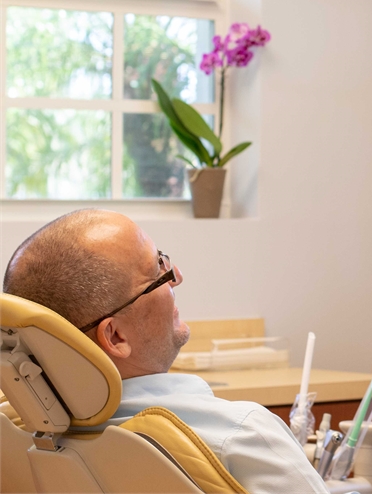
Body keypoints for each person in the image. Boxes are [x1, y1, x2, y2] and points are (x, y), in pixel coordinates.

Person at [3, 209, 329, 494]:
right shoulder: (241, 436)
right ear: (115, 337)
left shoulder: (18, 433)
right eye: (157, 272)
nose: (176, 278)